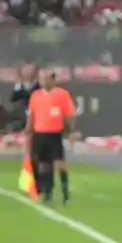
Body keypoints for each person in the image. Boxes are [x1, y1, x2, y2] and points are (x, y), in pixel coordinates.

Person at [27, 70, 76, 205]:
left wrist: (71, 131)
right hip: (40, 134)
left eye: (47, 79)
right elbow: (32, 114)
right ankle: (48, 194)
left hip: (54, 134)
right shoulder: (36, 96)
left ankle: (65, 194)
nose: (44, 81)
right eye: (42, 79)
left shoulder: (62, 95)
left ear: (53, 80)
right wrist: (29, 129)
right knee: (44, 166)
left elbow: (70, 115)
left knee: (60, 164)